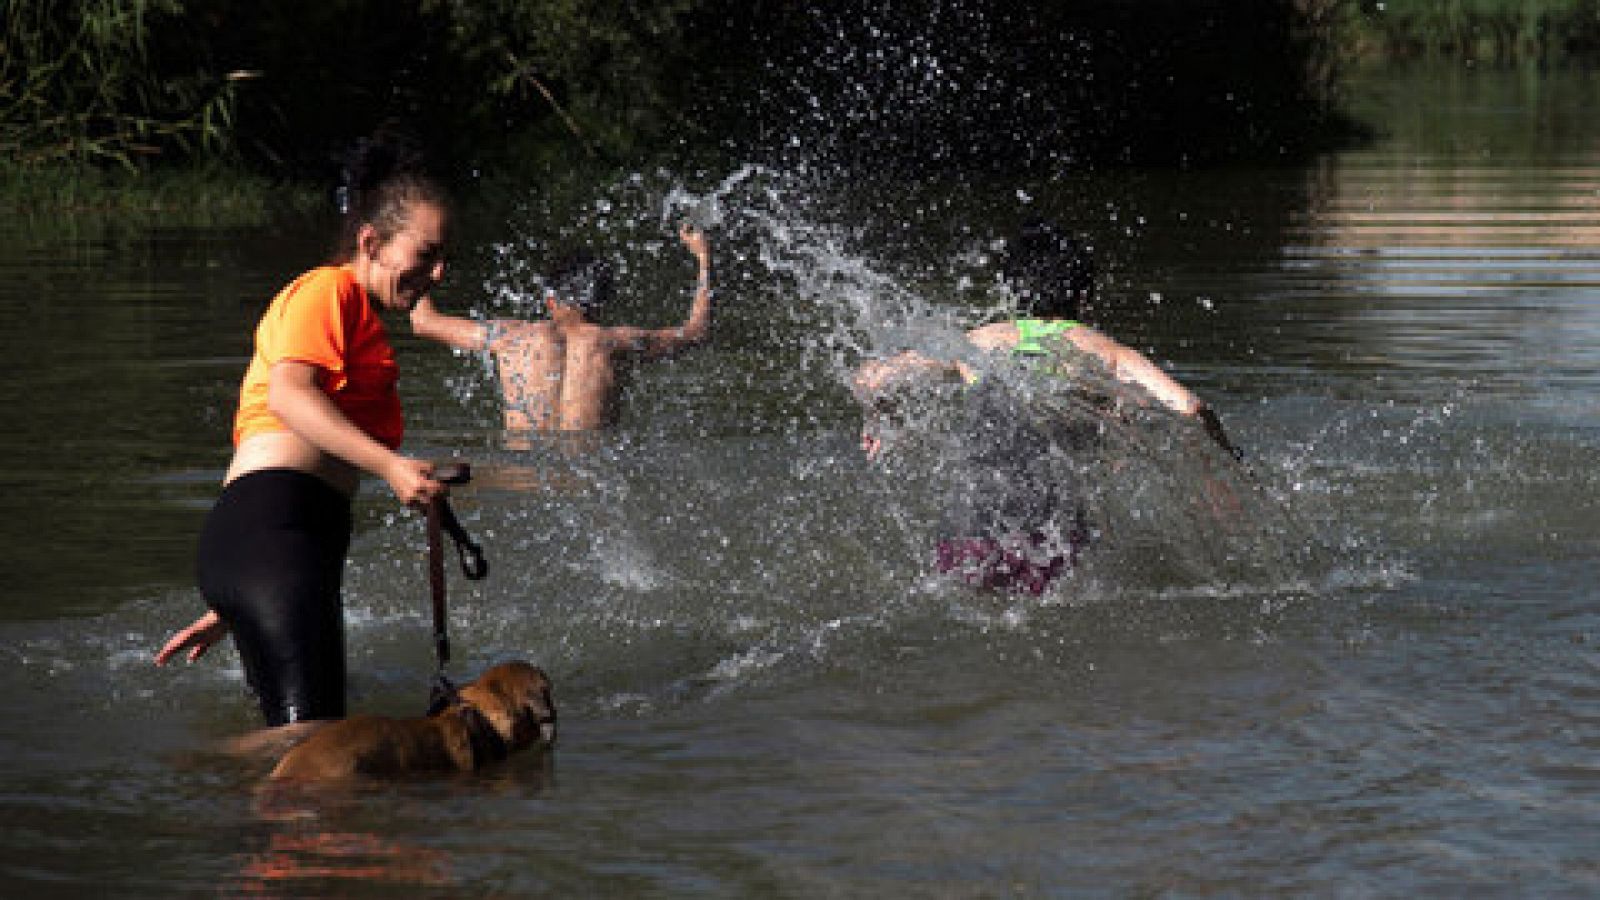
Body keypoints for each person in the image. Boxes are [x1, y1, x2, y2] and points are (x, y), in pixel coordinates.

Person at [154, 143, 454, 727]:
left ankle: (221, 796)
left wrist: (243, 597)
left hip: (275, 552)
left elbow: (271, 462)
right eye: (426, 254)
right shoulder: (327, 291)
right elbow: (289, 398)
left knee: (306, 756)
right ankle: (184, 781)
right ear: (370, 243)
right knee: (317, 754)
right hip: (274, 545)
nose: (439, 273)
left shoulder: (362, 326)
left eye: (446, 259)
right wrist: (390, 467)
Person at [852, 221, 1241, 594]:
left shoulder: (979, 342)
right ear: (1084, 295)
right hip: (1050, 544)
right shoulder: (1105, 351)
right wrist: (1223, 464)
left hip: (966, 538)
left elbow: (870, 379)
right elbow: (1188, 408)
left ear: (1012, 290)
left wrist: (881, 416)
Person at [409, 223, 714, 431]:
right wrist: (703, 257)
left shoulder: (510, 337)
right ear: (600, 303)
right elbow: (696, 331)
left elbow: (423, 322)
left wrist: (424, 260)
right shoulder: (616, 342)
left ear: (550, 300)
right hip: (588, 489)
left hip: (520, 483)